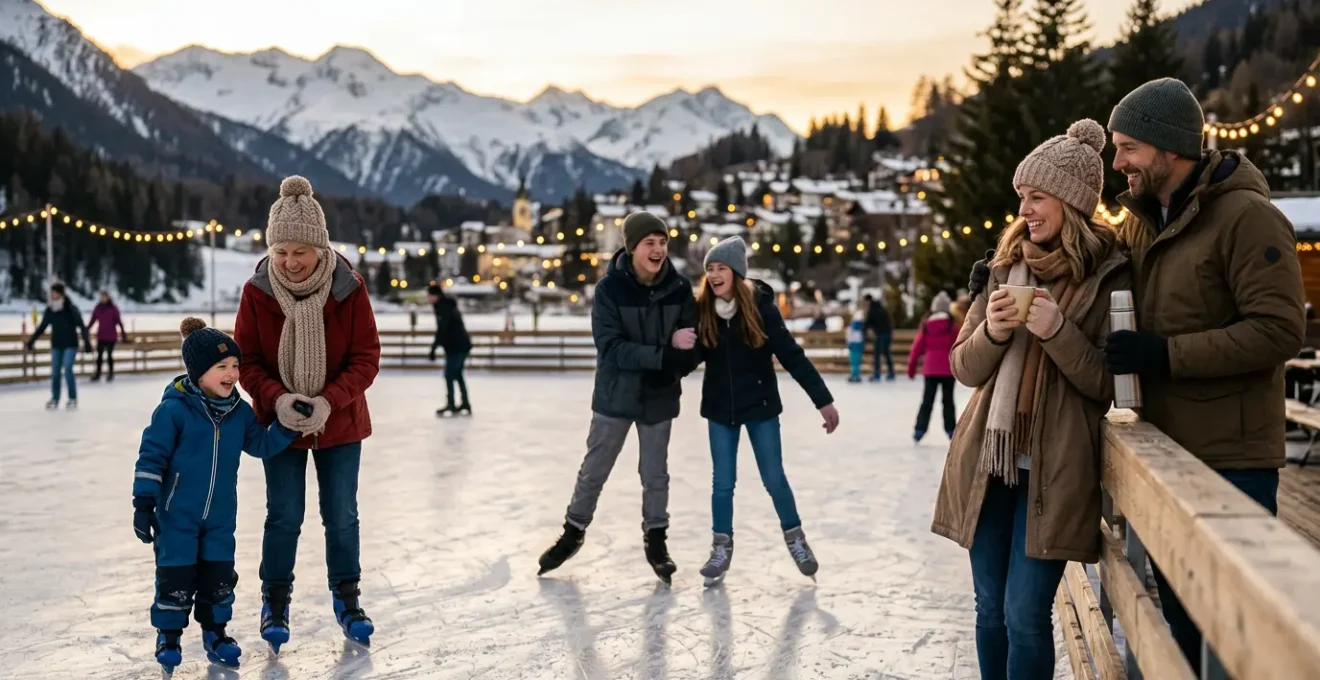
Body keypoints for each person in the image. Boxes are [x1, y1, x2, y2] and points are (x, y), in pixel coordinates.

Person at [1104, 78, 1305, 673]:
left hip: (1231, 460)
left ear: (1169, 149)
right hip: (1165, 451)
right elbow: (1092, 268)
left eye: (1128, 148)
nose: (1118, 164)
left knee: (1234, 635)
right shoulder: (1141, 219)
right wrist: (1018, 258)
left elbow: (1277, 331)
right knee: (1184, 632)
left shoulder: (1248, 218)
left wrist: (1164, 355)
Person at [932, 119, 1130, 680]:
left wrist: (1057, 330)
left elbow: (1105, 385)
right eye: (1022, 197)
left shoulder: (1110, 277)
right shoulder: (1001, 268)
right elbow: (963, 369)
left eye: (1037, 197)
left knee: (1024, 613)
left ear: (1070, 202)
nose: (1026, 210)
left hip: (1055, 470)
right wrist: (992, 332)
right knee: (989, 609)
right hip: (988, 466)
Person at [233, 176, 382, 650]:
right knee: (284, 516)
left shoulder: (348, 288)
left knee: (341, 515)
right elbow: (247, 361)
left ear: (320, 247)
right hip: (279, 426)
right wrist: (277, 400)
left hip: (339, 422)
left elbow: (366, 357)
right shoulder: (258, 292)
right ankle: (275, 602)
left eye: (300, 251)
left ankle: (348, 596)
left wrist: (327, 401)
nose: (290, 262)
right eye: (281, 252)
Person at [537, 211, 699, 585]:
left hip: (659, 396)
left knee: (655, 473)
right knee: (595, 469)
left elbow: (691, 346)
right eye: (650, 243)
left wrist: (678, 358)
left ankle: (656, 540)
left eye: (663, 243)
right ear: (632, 247)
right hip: (615, 395)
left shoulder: (678, 288)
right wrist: (664, 352)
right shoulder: (610, 290)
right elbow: (612, 348)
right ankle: (573, 532)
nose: (658, 250)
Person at [132, 318, 297, 672]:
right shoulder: (174, 410)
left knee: (219, 579)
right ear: (198, 373)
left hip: (220, 517)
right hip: (176, 515)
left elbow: (262, 444)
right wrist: (143, 503)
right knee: (175, 580)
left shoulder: (239, 413)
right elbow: (152, 455)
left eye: (235, 366)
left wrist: (286, 426)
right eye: (221, 367)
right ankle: (169, 636)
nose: (232, 374)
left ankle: (216, 632)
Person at [691, 237, 839, 587]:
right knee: (722, 482)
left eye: (720, 268)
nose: (713, 275)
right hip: (719, 410)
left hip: (759, 408)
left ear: (736, 272)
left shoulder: (760, 310)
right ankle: (720, 548)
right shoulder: (702, 311)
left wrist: (823, 400)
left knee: (774, 477)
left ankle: (795, 538)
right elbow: (687, 359)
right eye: (710, 269)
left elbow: (792, 355)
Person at [26, 282, 91, 409]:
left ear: (60, 293)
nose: (52, 295)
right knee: (55, 372)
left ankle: (72, 398)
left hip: (70, 344)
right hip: (56, 345)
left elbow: (81, 326)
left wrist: (86, 342)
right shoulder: (50, 310)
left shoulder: (71, 308)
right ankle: (55, 398)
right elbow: (42, 327)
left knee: (67, 369)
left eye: (54, 292)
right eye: (51, 293)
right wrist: (32, 340)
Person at [908, 291, 961, 443]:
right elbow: (960, 346)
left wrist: (911, 368)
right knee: (948, 401)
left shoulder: (926, 326)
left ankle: (919, 430)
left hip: (930, 370)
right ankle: (951, 430)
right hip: (948, 370)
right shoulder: (953, 327)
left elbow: (916, 348)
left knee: (927, 401)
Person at [427, 283, 473, 416]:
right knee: (457, 375)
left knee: (449, 375)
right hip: (458, 345)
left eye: (429, 296)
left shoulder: (444, 307)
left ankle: (452, 404)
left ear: (435, 295)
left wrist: (434, 348)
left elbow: (443, 329)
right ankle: (465, 403)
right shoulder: (444, 305)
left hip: (458, 346)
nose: (428, 299)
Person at [87, 290, 127, 382]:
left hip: (111, 336)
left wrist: (123, 334)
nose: (103, 298)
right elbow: (93, 320)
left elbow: (119, 322)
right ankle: (98, 374)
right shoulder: (98, 308)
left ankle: (110, 373)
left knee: (109, 356)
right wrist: (87, 329)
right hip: (101, 336)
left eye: (105, 297)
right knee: (99, 356)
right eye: (102, 297)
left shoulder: (113, 308)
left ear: (108, 297)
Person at [864, 293, 895, 381]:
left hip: (879, 334)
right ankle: (891, 372)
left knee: (877, 354)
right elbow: (889, 320)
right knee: (886, 353)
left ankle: (877, 373)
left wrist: (864, 330)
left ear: (868, 300)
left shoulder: (872, 309)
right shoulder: (881, 307)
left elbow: (868, 322)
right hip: (887, 333)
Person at [846, 308, 866, 383]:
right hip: (859, 344)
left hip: (852, 344)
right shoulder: (862, 327)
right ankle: (856, 374)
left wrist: (848, 343)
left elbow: (849, 336)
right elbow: (863, 337)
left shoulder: (851, 327)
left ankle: (854, 374)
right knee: (857, 361)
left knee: (853, 360)